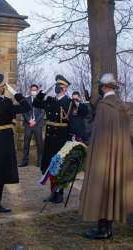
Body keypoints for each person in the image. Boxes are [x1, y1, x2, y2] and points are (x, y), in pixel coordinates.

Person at [80, 73, 133, 239]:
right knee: (112, 187)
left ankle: (103, 229)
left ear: (104, 87)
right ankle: (107, 228)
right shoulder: (121, 105)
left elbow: (99, 134)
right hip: (118, 154)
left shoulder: (105, 106)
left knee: (102, 187)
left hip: (104, 155)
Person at [32, 75, 88, 203]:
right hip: (50, 136)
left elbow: (84, 113)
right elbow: (36, 103)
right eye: (56, 85)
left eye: (59, 86)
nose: (57, 88)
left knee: (60, 165)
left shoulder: (69, 102)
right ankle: (53, 193)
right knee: (51, 165)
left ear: (65, 88)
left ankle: (59, 194)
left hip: (62, 137)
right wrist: (44, 91)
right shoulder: (51, 100)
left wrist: (80, 103)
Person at [0, 74, 30, 214]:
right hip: (3, 140)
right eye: (4, 86)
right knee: (0, 173)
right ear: (2, 88)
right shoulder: (7, 103)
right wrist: (15, 92)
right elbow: (26, 106)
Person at [19, 84, 45, 168]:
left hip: (37, 124)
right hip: (28, 124)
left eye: (35, 90)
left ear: (37, 91)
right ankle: (24, 162)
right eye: (32, 89)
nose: (33, 91)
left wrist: (35, 121)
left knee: (39, 144)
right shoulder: (26, 100)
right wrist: (29, 120)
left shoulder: (41, 100)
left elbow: (42, 112)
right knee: (26, 143)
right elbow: (23, 111)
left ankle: (40, 162)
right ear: (30, 90)